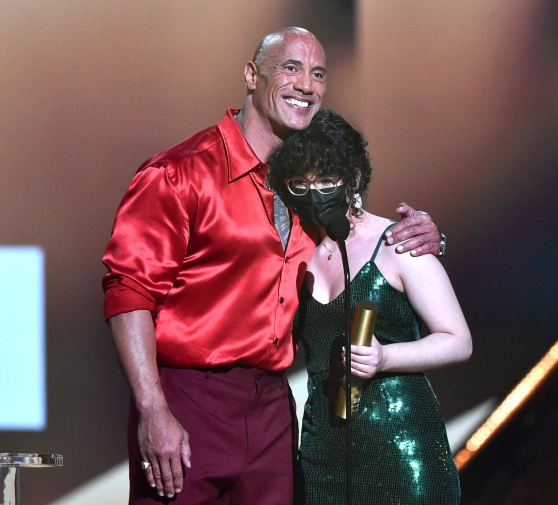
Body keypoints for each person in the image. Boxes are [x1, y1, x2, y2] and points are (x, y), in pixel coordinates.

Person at [102, 28, 444, 504]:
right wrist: (152, 409)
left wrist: (428, 234)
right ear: (250, 74)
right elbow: (128, 291)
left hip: (273, 410)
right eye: (291, 67)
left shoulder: (305, 188)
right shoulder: (180, 174)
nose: (306, 84)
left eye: (318, 73)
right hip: (189, 399)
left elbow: (364, 236)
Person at [267, 109, 472, 504]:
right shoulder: (293, 252)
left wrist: (384, 357)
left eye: (327, 180)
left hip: (401, 446)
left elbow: (457, 340)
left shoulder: (399, 243)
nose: (315, 194)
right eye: (300, 184)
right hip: (322, 449)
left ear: (353, 178)